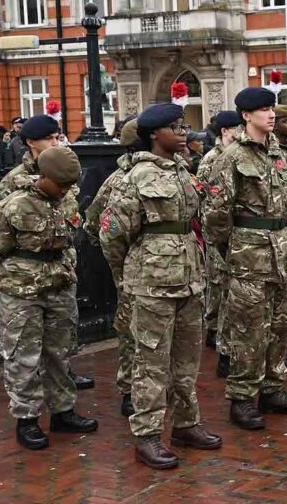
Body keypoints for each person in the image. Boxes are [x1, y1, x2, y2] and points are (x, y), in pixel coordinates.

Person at [99, 103, 222, 470]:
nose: (184, 132)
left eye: (184, 126)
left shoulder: (184, 171)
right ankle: (148, 435)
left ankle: (186, 424)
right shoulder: (134, 177)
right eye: (175, 127)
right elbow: (112, 235)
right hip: (151, 284)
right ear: (154, 134)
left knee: (186, 360)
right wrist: (130, 274)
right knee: (150, 362)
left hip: (188, 280)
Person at [0, 147, 98, 450]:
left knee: (61, 352)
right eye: (61, 184)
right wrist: (6, 285)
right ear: (42, 177)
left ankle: (63, 411)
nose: (66, 190)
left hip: (59, 286)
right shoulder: (12, 206)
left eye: (70, 184)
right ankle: (27, 419)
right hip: (22, 292)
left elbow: (70, 240)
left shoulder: (66, 200)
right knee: (23, 356)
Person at [203, 87, 287, 431]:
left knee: (279, 325)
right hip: (248, 254)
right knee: (249, 329)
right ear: (246, 116)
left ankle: (272, 387)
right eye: (263, 110)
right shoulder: (232, 157)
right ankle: (242, 397)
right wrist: (229, 251)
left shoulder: (280, 153)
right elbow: (216, 215)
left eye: (272, 109)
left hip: (280, 251)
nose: (271, 115)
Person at [0, 114, 95, 391]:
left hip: (60, 269)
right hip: (26, 276)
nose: (56, 142)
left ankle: (62, 378)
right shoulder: (15, 182)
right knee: (26, 342)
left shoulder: (65, 171)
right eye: (49, 138)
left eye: (57, 137)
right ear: (30, 143)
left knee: (62, 334)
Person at [84, 118, 139, 417]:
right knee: (131, 331)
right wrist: (123, 267)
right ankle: (129, 390)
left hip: (167, 271)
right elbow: (98, 225)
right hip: (133, 271)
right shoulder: (120, 180)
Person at [198, 110, 244, 378]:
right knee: (219, 286)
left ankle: (221, 334)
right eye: (236, 128)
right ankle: (216, 333)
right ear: (226, 131)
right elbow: (207, 199)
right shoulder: (211, 160)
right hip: (218, 235)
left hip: (238, 235)